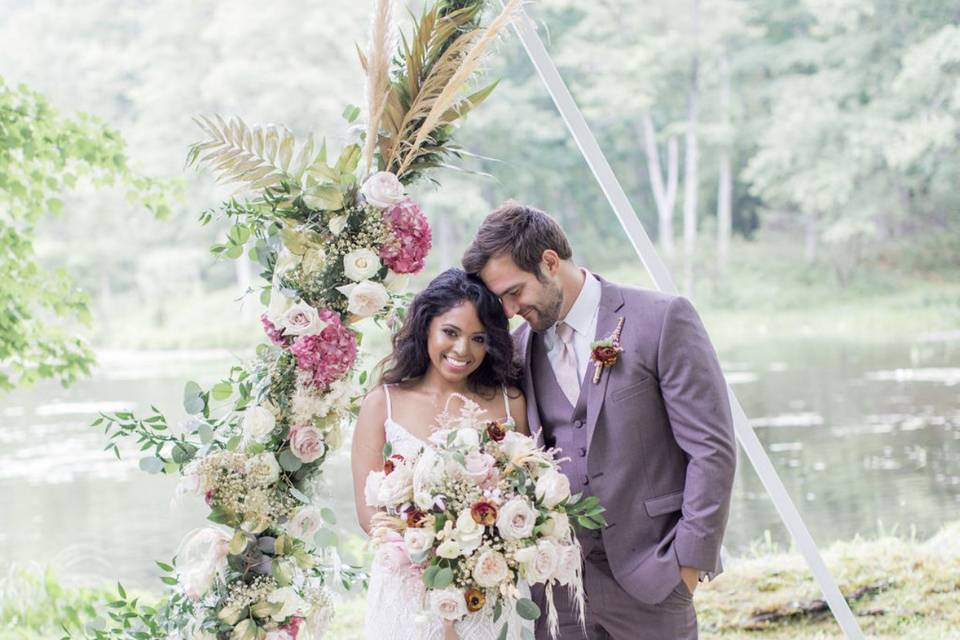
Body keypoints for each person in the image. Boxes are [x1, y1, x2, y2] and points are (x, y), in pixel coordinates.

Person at [462, 203, 737, 640]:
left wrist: (688, 563)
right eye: (502, 299)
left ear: (550, 262)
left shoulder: (661, 319)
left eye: (515, 292)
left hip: (655, 575)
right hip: (558, 590)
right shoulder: (517, 349)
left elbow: (712, 450)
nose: (510, 309)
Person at [351, 267, 529, 640]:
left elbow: (523, 496)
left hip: (489, 590)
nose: (462, 350)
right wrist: (432, 554)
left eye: (478, 338)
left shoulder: (510, 404)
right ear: (426, 327)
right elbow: (369, 515)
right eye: (450, 332)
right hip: (407, 592)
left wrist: (475, 558)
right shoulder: (382, 403)